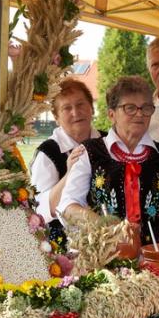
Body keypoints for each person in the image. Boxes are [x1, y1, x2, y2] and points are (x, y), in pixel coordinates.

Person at [58, 76, 159, 247]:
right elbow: (67, 206)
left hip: (155, 254)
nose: (139, 114)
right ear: (111, 115)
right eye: (130, 108)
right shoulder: (89, 153)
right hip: (105, 254)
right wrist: (104, 224)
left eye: (146, 108)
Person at [30, 79, 102, 251]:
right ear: (56, 118)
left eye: (80, 104)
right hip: (65, 247)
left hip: (109, 238)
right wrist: (70, 173)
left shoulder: (108, 142)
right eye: (67, 108)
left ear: (91, 108)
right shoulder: (47, 154)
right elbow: (40, 211)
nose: (76, 112)